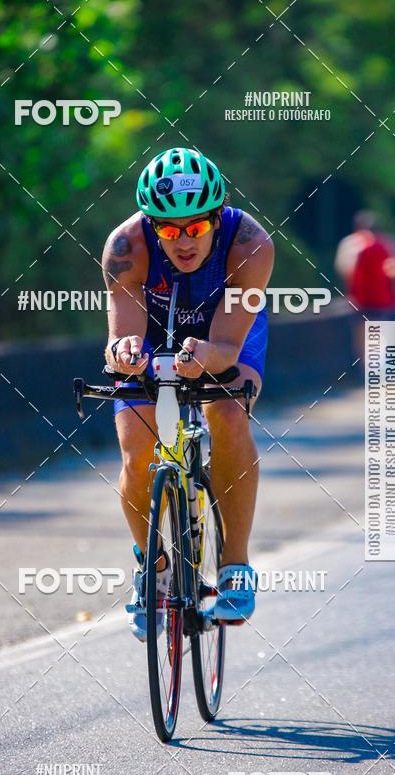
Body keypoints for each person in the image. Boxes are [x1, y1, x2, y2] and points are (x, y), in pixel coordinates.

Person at [101, 147, 274, 641]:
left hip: (225, 332)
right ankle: (153, 570)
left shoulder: (250, 245)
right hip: (156, 332)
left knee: (227, 410)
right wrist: (126, 352)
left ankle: (235, 565)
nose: (182, 241)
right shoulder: (125, 247)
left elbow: (224, 346)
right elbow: (117, 340)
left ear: (217, 220)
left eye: (195, 228)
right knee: (137, 447)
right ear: (150, 224)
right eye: (169, 229)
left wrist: (207, 357)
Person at [335, 210, 395, 360]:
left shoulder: (350, 243)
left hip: (360, 298)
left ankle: (367, 369)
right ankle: (381, 368)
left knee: (362, 333)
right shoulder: (387, 242)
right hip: (383, 297)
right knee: (382, 329)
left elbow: (342, 269)